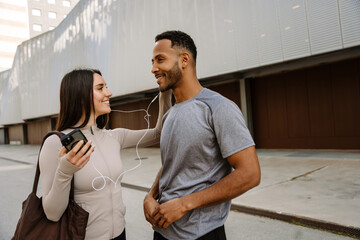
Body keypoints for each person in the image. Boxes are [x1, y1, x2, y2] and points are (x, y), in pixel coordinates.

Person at [143, 30, 261, 240]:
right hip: (162, 231)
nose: (153, 68)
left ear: (184, 60)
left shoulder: (219, 107)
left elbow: (250, 174)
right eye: (152, 61)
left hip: (201, 235)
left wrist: (183, 204)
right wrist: (151, 195)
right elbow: (173, 162)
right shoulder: (170, 114)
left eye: (160, 60)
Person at [39, 68, 172, 240]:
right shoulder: (55, 143)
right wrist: (65, 171)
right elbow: (52, 214)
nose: (109, 93)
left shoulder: (114, 136)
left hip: (119, 234)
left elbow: (159, 133)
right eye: (100, 88)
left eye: (106, 87)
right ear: (80, 96)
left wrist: (165, 92)